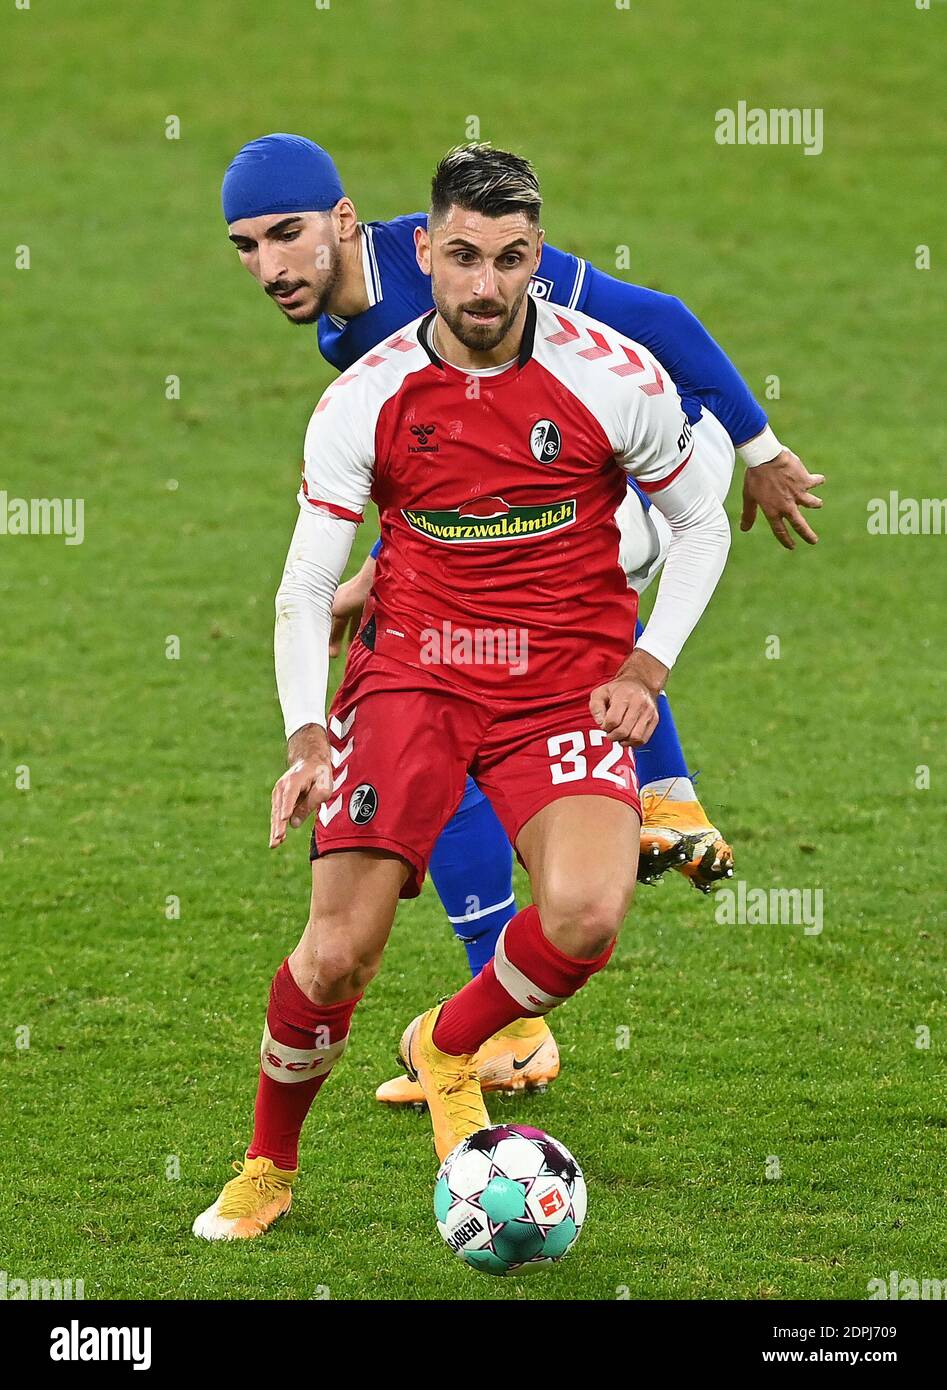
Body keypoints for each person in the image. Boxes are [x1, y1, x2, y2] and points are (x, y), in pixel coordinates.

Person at [193, 144, 731, 1239]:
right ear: (421, 250)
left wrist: (645, 664)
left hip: (561, 684)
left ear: (536, 257)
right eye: (463, 258)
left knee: (584, 918)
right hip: (414, 676)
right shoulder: (366, 396)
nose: (485, 287)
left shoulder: (611, 376)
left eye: (511, 260)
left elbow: (699, 522)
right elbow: (303, 584)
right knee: (339, 949)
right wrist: (306, 736)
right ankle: (267, 1163)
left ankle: (451, 1039)